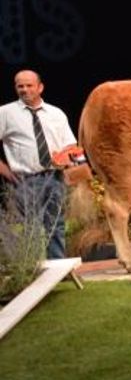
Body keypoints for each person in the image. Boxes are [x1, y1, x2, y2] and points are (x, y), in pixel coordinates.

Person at [0, 70, 77, 259]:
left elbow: (70, 144)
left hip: (54, 177)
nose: (24, 90)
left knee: (56, 224)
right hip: (25, 181)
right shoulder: (5, 113)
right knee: (30, 228)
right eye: (20, 86)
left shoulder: (56, 113)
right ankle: (32, 269)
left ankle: (57, 269)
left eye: (29, 85)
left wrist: (66, 158)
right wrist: (5, 171)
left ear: (40, 87)